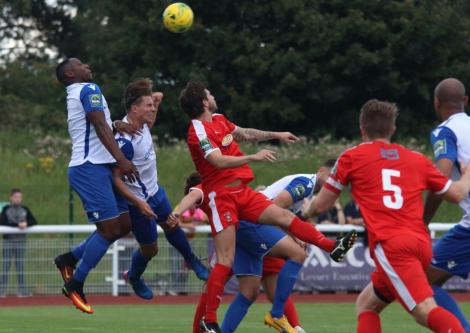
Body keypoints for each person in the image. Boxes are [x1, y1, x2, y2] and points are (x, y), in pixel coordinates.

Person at [179, 81, 357, 333]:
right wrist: (252, 157)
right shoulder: (197, 130)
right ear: (204, 102)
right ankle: (213, 321)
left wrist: (276, 135)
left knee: (252, 284)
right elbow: (216, 161)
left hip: (242, 193)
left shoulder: (219, 119)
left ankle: (331, 248)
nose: (213, 95)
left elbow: (244, 133)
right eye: (210, 93)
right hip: (223, 197)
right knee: (230, 261)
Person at [302, 99, 470, 333]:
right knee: (367, 304)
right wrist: (469, 174)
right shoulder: (417, 159)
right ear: (393, 130)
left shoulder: (352, 157)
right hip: (421, 243)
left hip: (393, 246)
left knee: (425, 310)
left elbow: (320, 206)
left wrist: (304, 212)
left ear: (362, 130)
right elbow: (457, 193)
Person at [171, 164, 334, 333]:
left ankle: (288, 324)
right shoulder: (209, 188)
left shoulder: (222, 192)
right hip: (252, 229)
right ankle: (286, 321)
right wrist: (177, 214)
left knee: (247, 290)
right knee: (293, 258)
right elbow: (276, 209)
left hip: (242, 232)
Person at [52, 58, 138, 314]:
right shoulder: (89, 89)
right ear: (70, 73)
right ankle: (75, 284)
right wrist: (121, 160)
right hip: (89, 167)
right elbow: (98, 124)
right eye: (80, 64)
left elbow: (98, 124)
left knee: (124, 225)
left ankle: (68, 259)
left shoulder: (76, 92)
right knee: (110, 228)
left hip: (98, 166)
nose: (87, 65)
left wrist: (116, 124)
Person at [111, 78, 208, 300]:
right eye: (148, 106)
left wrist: (150, 96)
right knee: (150, 250)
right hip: (138, 202)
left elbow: (159, 95)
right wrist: (138, 203)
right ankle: (134, 277)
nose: (153, 108)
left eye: (152, 105)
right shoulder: (124, 142)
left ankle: (192, 260)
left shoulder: (143, 124)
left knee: (173, 225)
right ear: (135, 108)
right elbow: (115, 180)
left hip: (155, 192)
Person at [422, 78, 470, 333]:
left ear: (436, 104)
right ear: (466, 101)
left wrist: (421, 221)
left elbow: (440, 175)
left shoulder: (446, 130)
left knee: (421, 284)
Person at [0, 188, 37, 297]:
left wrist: (26, 224)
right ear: (11, 198)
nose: (17, 199)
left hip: (21, 242)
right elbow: (2, 222)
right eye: (15, 197)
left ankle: (22, 290)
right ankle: (2, 290)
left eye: (19, 197)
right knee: (5, 266)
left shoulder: (24, 209)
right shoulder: (6, 209)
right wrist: (17, 225)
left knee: (20, 266)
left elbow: (33, 221)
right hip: (8, 242)